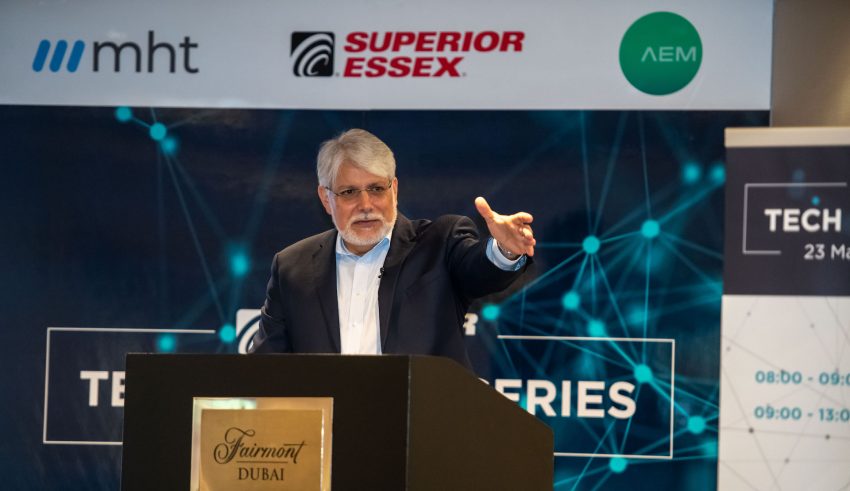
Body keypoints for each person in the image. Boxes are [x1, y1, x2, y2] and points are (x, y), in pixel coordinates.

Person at [248, 128, 535, 369]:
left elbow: (479, 270)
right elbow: (264, 370)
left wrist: (505, 250)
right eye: (349, 192)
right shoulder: (292, 267)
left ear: (394, 190)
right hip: (326, 419)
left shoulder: (439, 244)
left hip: (419, 417)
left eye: (376, 188)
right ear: (326, 198)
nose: (365, 205)